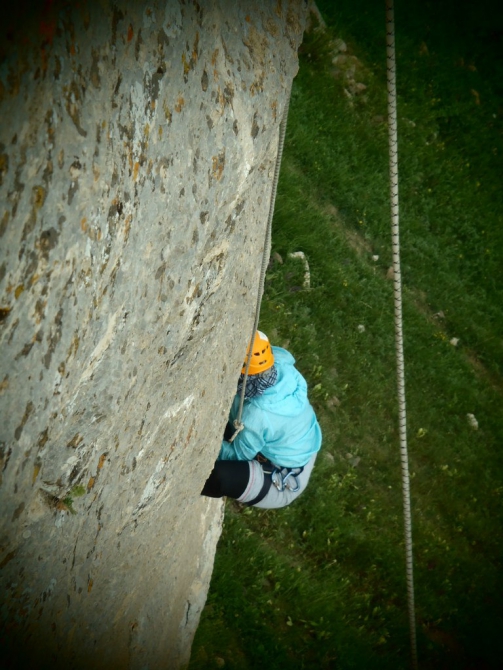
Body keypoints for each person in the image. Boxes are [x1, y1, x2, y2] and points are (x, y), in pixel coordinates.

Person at [202, 330, 322, 508]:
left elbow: (236, 456)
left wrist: (199, 443)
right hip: (299, 441)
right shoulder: (278, 359)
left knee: (221, 476)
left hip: (285, 477)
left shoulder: (258, 416)